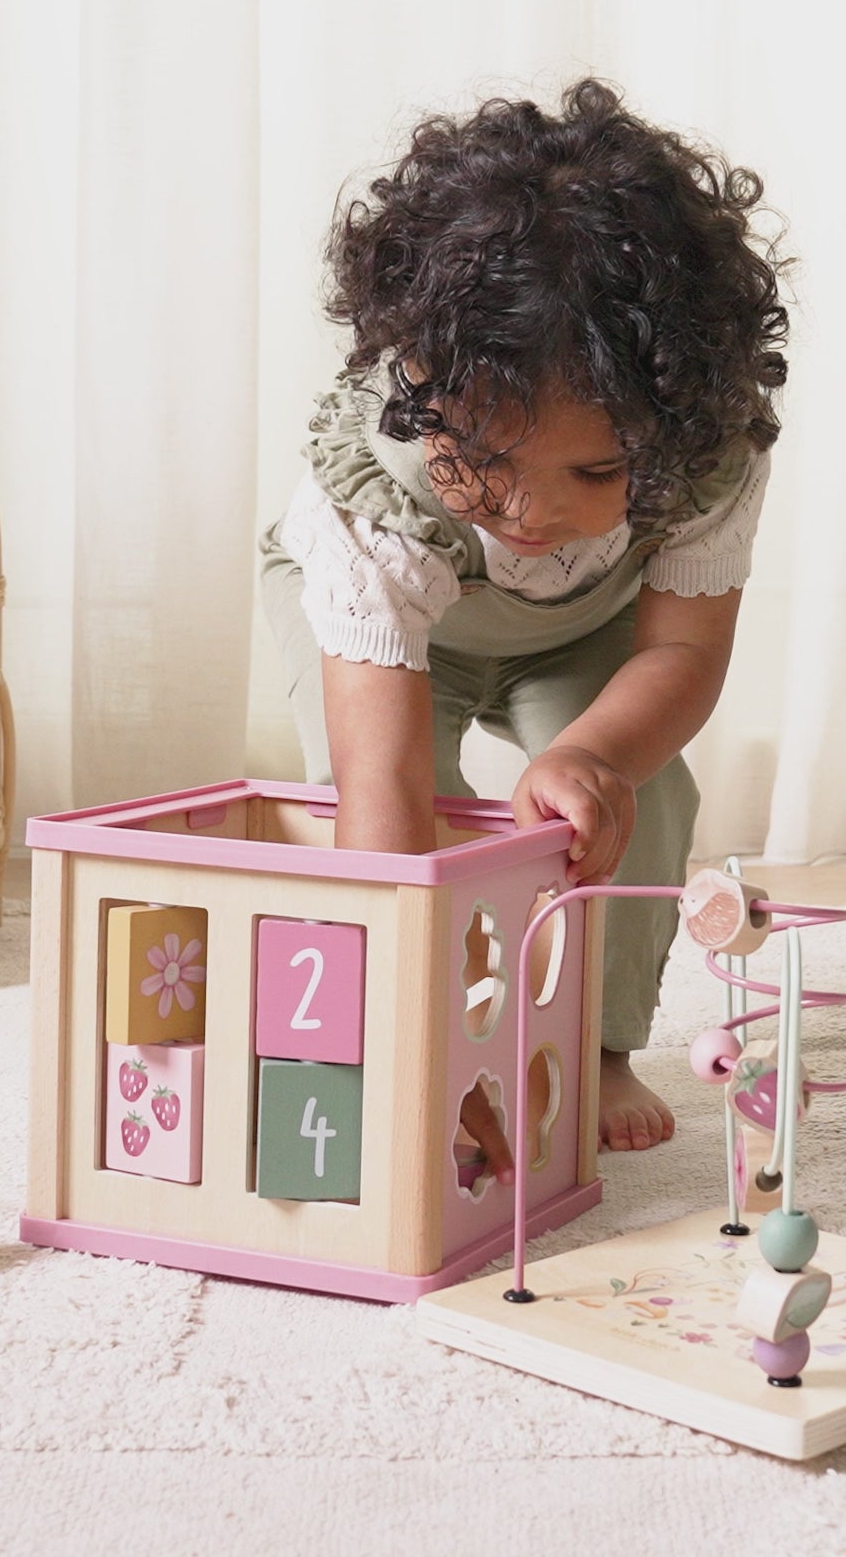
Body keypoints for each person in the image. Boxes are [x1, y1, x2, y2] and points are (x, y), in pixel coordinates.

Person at [259, 78, 789, 1158]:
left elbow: (684, 648)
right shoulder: (378, 496)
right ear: (417, 385)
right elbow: (385, 780)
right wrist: (427, 1047)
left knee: (636, 792)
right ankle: (427, 1032)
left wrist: (593, 755)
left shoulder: (709, 454)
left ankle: (594, 1043)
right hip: (395, 637)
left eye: (592, 472)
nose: (528, 512)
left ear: (676, 427)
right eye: (479, 463)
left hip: (585, 628)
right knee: (391, 801)